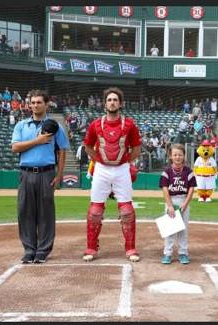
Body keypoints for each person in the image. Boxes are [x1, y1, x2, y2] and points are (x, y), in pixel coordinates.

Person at [82, 87, 142, 262]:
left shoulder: (129, 124)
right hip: (101, 169)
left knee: (127, 211)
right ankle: (91, 247)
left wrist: (123, 162)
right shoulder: (95, 124)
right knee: (95, 211)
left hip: (122, 169)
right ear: (104, 103)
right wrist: (100, 160)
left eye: (115, 100)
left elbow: (137, 149)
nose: (112, 102)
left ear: (120, 103)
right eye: (109, 100)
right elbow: (87, 147)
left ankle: (130, 248)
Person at [11, 89, 70, 264]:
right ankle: (29, 250)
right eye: (33, 102)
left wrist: (59, 175)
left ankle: (42, 251)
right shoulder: (21, 125)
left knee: (45, 213)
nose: (35, 105)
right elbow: (15, 148)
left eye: (39, 102)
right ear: (29, 105)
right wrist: (37, 141)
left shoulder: (56, 126)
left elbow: (62, 150)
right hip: (26, 173)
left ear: (46, 104)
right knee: (25, 212)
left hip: (47, 173)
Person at [158, 144, 196, 265]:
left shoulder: (188, 171)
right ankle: (167, 253)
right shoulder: (167, 172)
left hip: (183, 200)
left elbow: (191, 189)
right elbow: (164, 189)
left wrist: (185, 204)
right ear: (170, 156)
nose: (177, 157)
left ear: (184, 156)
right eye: (175, 154)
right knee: (170, 230)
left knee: (183, 229)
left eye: (180, 154)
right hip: (171, 201)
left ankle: (183, 253)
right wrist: (169, 206)